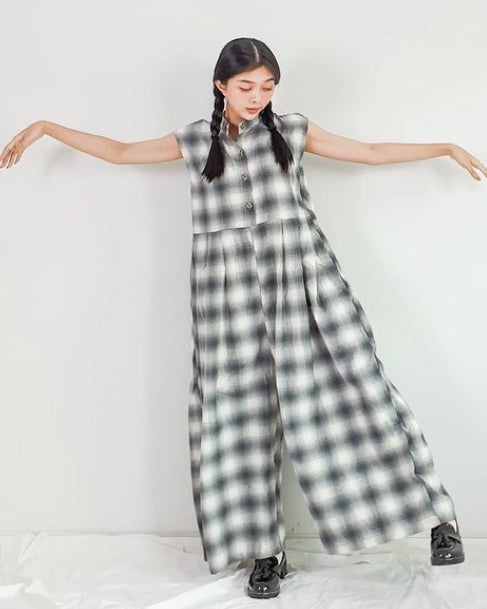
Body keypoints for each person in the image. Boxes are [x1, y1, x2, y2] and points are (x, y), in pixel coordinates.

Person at [2, 36, 482, 600]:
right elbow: (121, 151)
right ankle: (265, 552)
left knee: (360, 390)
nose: (257, 96)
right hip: (225, 296)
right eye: (246, 86)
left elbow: (371, 153)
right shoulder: (193, 140)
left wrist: (445, 147)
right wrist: (46, 128)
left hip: (304, 280)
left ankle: (437, 518)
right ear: (221, 85)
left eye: (267, 87)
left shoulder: (293, 131)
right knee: (239, 418)